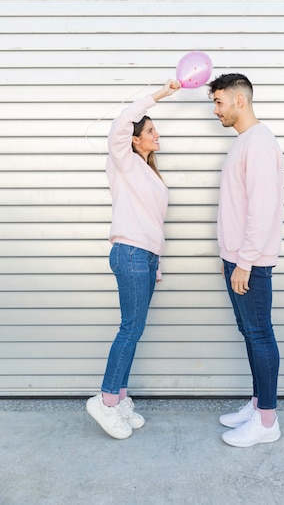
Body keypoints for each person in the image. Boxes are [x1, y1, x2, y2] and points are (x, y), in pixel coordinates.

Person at [86, 79, 181, 439]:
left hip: (145, 257)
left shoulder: (147, 171)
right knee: (130, 329)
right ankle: (107, 401)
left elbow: (153, 222)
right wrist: (159, 95)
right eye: (152, 130)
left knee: (133, 330)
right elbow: (122, 121)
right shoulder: (123, 161)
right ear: (135, 138)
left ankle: (119, 398)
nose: (158, 136)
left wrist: (157, 264)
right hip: (129, 253)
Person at [208, 73, 284, 448]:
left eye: (219, 102)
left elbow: (263, 206)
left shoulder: (258, 143)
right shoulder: (244, 142)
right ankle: (257, 406)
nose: (215, 111)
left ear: (240, 100)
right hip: (236, 258)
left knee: (259, 334)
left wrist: (246, 261)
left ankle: (267, 421)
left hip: (248, 262)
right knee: (251, 334)